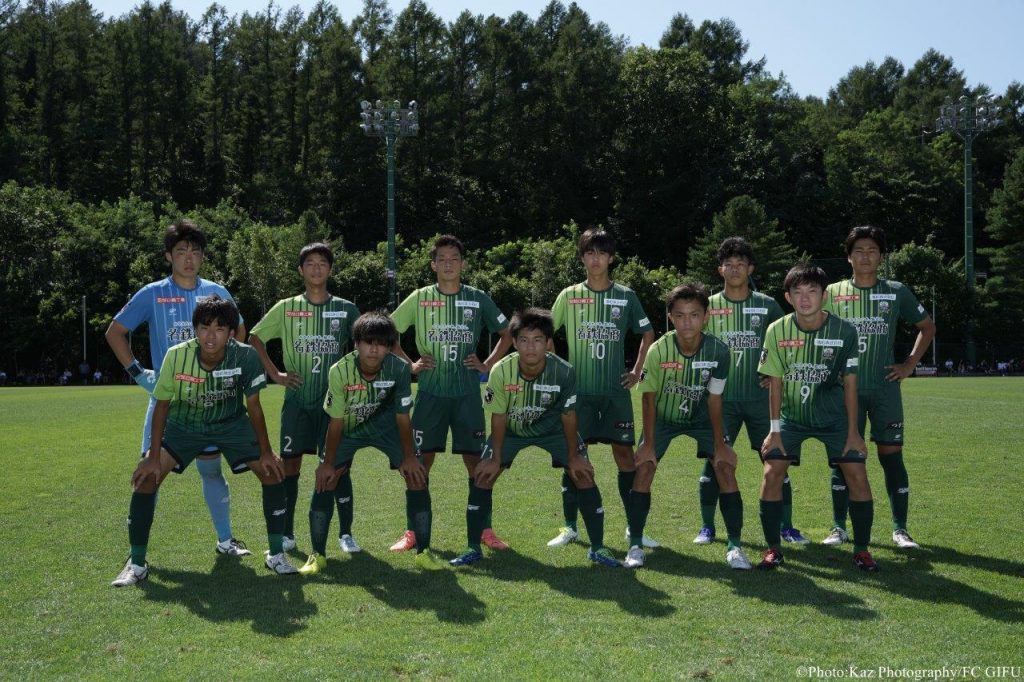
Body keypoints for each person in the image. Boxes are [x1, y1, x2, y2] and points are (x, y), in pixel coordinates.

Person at [112, 296, 296, 586]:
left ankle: (276, 555)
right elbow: (162, 405)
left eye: (220, 329)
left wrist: (266, 451)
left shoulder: (246, 356)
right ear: (195, 329)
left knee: (272, 472)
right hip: (185, 425)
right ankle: (136, 564)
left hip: (231, 424)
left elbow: (254, 407)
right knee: (147, 478)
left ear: (232, 333)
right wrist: (152, 456)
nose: (211, 336)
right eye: (204, 328)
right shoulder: (177, 355)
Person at [105, 219, 250, 557]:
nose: (189, 258)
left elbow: (240, 330)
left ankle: (225, 541)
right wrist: (139, 373)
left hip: (210, 401)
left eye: (195, 252)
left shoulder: (217, 292)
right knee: (149, 473)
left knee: (211, 470)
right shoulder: (153, 293)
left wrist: (226, 368)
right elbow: (115, 332)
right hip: (168, 401)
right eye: (181, 251)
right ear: (168, 255)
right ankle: (136, 559)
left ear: (202, 257)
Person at [450, 308, 621, 568]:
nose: (531, 347)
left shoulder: (564, 372)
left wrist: (574, 456)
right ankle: (472, 547)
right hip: (512, 430)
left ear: (548, 342)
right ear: (514, 342)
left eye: (538, 340)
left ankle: (598, 548)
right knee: (482, 475)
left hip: (553, 430)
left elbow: (568, 416)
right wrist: (495, 458)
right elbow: (498, 416)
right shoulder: (501, 371)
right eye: (524, 340)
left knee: (583, 473)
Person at [389, 235, 512, 552]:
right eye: (441, 259)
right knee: (419, 464)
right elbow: (387, 331)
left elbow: (508, 332)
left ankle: (485, 530)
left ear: (463, 263)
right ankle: (413, 532)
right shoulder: (419, 298)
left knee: (478, 465)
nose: (448, 264)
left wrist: (487, 365)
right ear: (433, 265)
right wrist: (410, 365)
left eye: (454, 258)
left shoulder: (477, 298)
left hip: (467, 396)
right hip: (429, 396)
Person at [299, 312, 442, 574]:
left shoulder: (399, 368)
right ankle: (317, 555)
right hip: (348, 429)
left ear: (389, 347)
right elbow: (336, 422)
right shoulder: (339, 370)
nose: (374, 349)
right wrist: (328, 463)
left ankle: (424, 552)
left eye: (381, 343)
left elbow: (402, 417)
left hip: (387, 428)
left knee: (417, 475)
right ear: (356, 344)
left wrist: (409, 458)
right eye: (368, 342)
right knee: (326, 479)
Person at [756, 264, 878, 572]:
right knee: (772, 472)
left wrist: (854, 432)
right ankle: (773, 549)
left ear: (824, 296)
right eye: (797, 292)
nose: (804, 298)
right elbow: (775, 382)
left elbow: (851, 384)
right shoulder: (776, 330)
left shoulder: (844, 331)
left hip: (835, 419)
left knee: (857, 474)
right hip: (791, 418)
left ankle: (862, 550)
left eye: (812, 291)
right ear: (788, 297)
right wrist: (774, 431)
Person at [822, 226, 935, 549]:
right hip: (844, 390)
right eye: (859, 250)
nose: (865, 256)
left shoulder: (896, 291)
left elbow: (927, 327)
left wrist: (909, 364)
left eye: (872, 250)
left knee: (891, 457)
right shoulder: (831, 292)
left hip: (885, 388)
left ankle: (900, 529)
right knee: (844, 458)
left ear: (882, 257)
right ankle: (838, 527)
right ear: (848, 257)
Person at [626, 284, 749, 569]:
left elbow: (715, 399)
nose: (687, 322)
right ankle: (635, 545)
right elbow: (648, 397)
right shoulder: (658, 350)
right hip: (663, 417)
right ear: (670, 317)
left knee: (725, 467)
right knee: (644, 467)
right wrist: (648, 444)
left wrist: (720, 444)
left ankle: (735, 547)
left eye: (694, 315)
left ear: (705, 316)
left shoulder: (719, 350)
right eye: (680, 315)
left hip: (703, 418)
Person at [548, 228, 656, 549]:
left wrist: (637, 371)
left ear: (611, 258)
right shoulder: (569, 295)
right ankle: (570, 528)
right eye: (590, 253)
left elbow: (647, 333)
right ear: (582, 258)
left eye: (602, 253)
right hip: (577, 394)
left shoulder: (626, 296)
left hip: (614, 394)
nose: (596, 259)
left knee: (625, 457)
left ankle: (633, 529)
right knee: (573, 457)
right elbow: (544, 331)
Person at [248, 243, 360, 553]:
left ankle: (346, 534)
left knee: (338, 466)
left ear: (330, 269)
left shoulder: (346, 309)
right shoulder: (286, 307)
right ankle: (287, 534)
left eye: (322, 262)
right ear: (300, 270)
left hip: (334, 404)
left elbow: (365, 342)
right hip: (297, 402)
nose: (316, 268)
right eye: (310, 263)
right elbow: (254, 338)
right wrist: (275, 374)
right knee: (290, 466)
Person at [698, 238, 808, 546]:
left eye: (741, 264)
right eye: (729, 264)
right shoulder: (707, 306)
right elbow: (693, 344)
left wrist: (776, 372)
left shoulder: (767, 305)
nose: (735, 270)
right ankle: (707, 528)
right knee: (715, 462)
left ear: (750, 269)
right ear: (720, 270)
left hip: (762, 400)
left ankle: (786, 527)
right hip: (721, 401)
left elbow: (788, 341)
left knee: (777, 462)